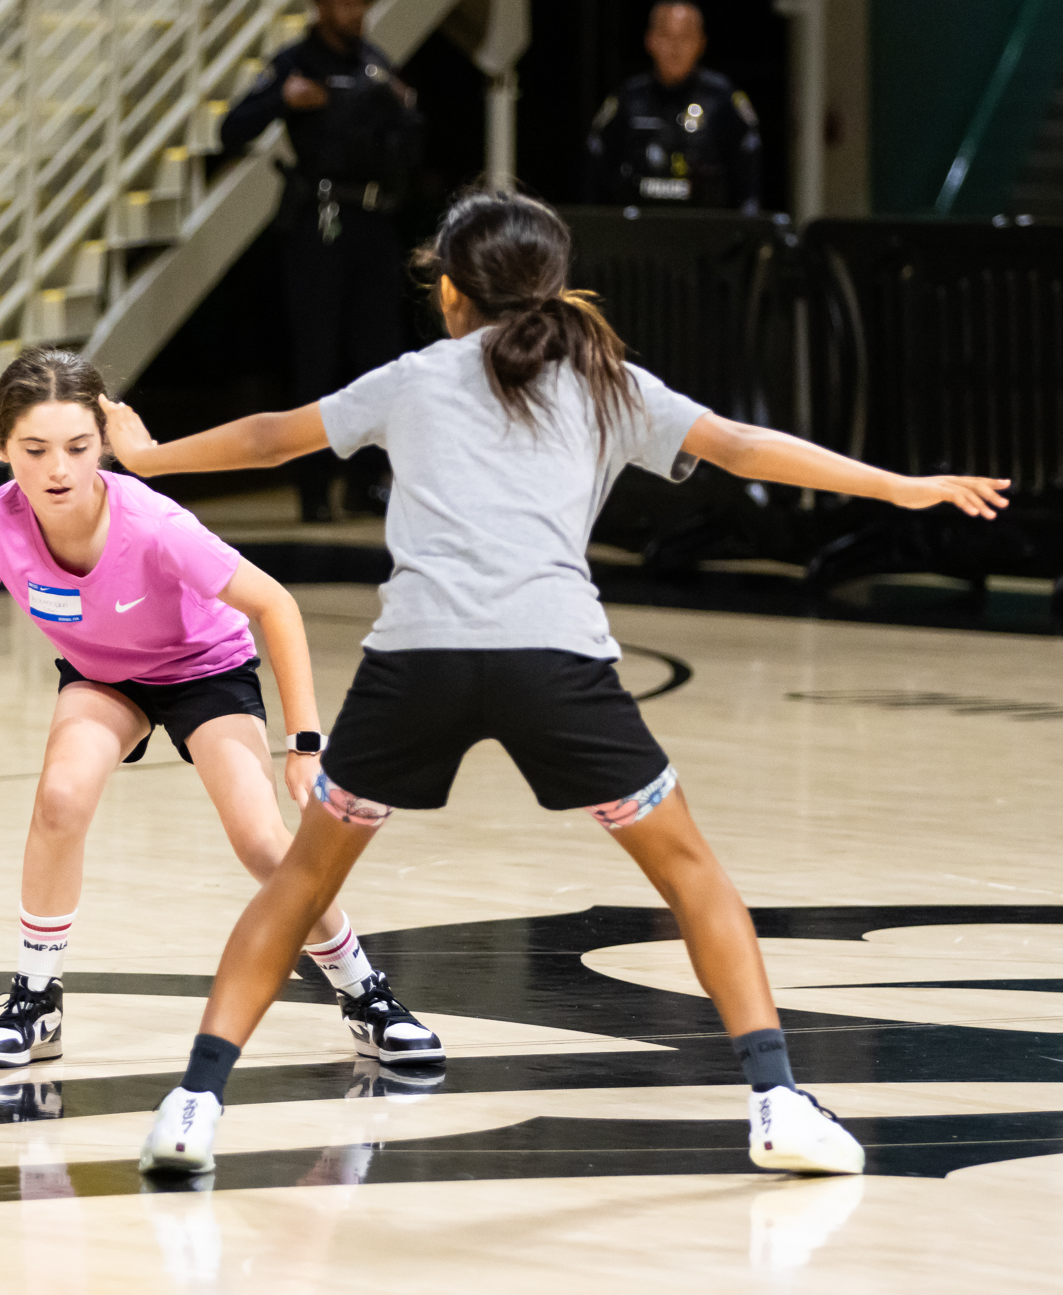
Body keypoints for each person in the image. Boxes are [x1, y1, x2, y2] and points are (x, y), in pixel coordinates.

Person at [99, 191, 1009, 1177]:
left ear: (447, 289)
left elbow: (272, 437)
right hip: (554, 663)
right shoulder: (607, 379)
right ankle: (777, 1101)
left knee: (299, 884)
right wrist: (897, 485)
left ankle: (192, 1105)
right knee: (692, 877)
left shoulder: (412, 378)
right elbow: (744, 448)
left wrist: (146, 456)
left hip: (417, 664)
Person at [0, 348, 443, 1070]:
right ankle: (35, 1001)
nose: (58, 470)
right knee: (59, 799)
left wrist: (304, 743)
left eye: (78, 448)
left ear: (101, 443)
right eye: (34, 449)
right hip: (104, 676)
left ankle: (366, 994)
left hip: (203, 668)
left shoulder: (152, 523)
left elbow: (275, 604)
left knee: (262, 841)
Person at [221, 0, 421, 523]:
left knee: (377, 359)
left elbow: (413, 136)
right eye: (343, 4)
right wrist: (281, 99)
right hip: (320, 221)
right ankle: (312, 487)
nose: (354, 14)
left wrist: (404, 107)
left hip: (374, 221)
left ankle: (367, 481)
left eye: (360, 4)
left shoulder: (376, 63)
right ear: (319, 6)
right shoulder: (295, 62)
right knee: (317, 359)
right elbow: (231, 129)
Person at [585, 0, 762, 213]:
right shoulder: (628, 99)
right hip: (637, 231)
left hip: (707, 230)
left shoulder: (722, 99)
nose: (675, 48)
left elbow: (747, 182)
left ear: (701, 42)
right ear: (649, 40)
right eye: (666, 36)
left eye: (685, 38)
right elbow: (594, 177)